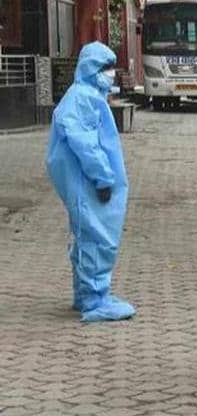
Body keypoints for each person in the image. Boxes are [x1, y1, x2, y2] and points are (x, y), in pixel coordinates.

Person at [46, 42, 136, 322]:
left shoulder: (85, 95)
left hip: (86, 179)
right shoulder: (83, 98)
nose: (111, 73)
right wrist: (102, 178)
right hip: (88, 181)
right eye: (105, 67)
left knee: (88, 234)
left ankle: (85, 293)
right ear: (91, 68)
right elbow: (85, 144)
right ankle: (94, 299)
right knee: (98, 237)